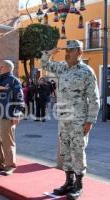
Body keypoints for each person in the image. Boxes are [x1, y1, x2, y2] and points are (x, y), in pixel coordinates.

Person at [40, 40, 100, 200]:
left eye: (70, 50)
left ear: (79, 52)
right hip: (64, 117)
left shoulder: (86, 71)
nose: (67, 53)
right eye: (66, 50)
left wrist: (90, 121)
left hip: (79, 119)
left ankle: (79, 185)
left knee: (78, 150)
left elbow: (94, 99)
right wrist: (49, 53)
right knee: (65, 150)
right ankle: (68, 182)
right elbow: (44, 65)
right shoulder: (62, 67)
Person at [0, 60, 24, 175]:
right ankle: (1, 163)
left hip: (7, 115)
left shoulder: (14, 81)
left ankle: (10, 165)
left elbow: (20, 99)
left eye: (1, 66)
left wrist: (17, 114)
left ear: (7, 67)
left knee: (7, 141)